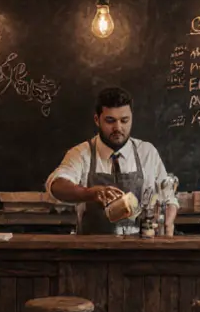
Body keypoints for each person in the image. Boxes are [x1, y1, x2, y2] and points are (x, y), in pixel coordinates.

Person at [46, 87, 179, 235]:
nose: (118, 127)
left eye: (124, 120)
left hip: (141, 249)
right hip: (92, 250)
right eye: (110, 121)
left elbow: (168, 197)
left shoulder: (147, 152)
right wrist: (90, 194)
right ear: (97, 120)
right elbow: (57, 185)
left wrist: (167, 220)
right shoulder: (81, 154)